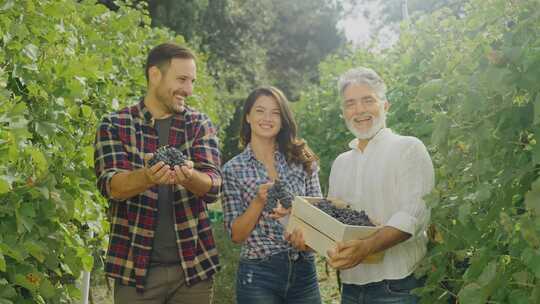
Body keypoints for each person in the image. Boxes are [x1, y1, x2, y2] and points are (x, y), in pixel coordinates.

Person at [290, 67, 435, 304]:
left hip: (399, 286)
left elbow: (413, 216)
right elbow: (334, 224)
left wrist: (366, 247)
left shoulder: (408, 148)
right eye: (350, 104)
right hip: (351, 289)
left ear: (385, 105)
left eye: (368, 100)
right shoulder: (340, 164)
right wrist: (308, 239)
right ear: (343, 112)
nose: (359, 110)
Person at [94, 43, 222, 303]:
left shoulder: (198, 124)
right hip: (135, 268)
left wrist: (189, 175)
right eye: (182, 79)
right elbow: (111, 186)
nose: (189, 89)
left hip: (193, 267)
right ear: (155, 75)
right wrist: (148, 176)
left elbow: (214, 185)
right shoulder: (115, 125)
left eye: (192, 81)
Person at [221, 86, 323, 304]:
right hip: (258, 274)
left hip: (303, 270)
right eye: (260, 111)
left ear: (283, 118)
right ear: (248, 116)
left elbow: (320, 216)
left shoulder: (302, 159)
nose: (267, 118)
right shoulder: (233, 169)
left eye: (275, 112)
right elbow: (236, 235)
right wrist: (258, 202)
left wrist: (304, 233)